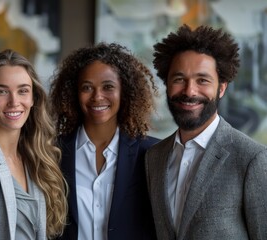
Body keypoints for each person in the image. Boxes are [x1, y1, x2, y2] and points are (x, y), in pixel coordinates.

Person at [145, 24, 267, 239]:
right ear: (167, 84)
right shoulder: (153, 158)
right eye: (179, 79)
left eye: (202, 80)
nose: (190, 91)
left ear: (221, 87)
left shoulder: (251, 159)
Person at [49, 42, 159, 240]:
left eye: (108, 87)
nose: (97, 96)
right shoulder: (52, 153)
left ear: (124, 91)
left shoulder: (151, 153)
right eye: (87, 87)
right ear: (75, 93)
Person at [0, 49, 68, 240]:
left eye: (23, 91)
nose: (14, 102)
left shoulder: (31, 155)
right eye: (2, 91)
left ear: (33, 98)